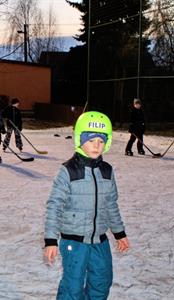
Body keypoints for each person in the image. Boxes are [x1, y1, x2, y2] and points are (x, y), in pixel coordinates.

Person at [44, 111, 130, 299]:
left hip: (100, 240)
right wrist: (51, 240)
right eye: (91, 140)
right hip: (74, 242)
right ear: (80, 140)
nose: (96, 146)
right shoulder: (68, 170)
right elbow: (54, 206)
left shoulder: (107, 170)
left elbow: (111, 205)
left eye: (101, 141)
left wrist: (119, 233)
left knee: (102, 281)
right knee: (72, 286)